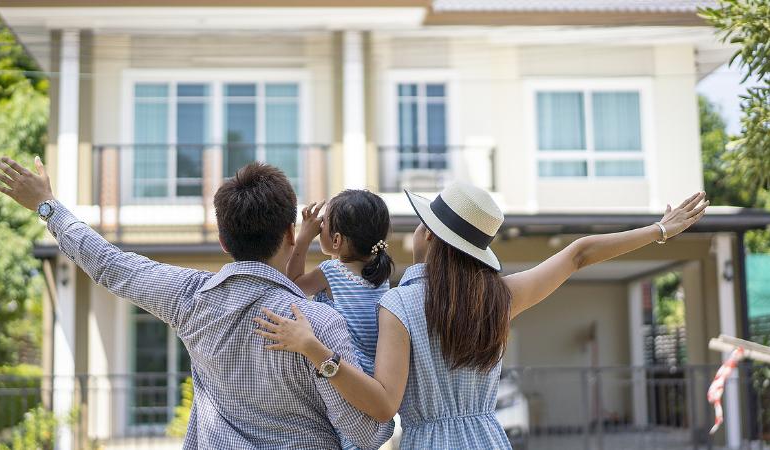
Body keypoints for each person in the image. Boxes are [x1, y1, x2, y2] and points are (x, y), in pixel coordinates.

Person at [255, 181, 709, 449]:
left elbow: (384, 404)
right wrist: (658, 231)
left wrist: (315, 350)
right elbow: (578, 255)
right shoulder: (499, 297)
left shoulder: (398, 305)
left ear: (430, 239)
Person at [0, 156, 393, 450]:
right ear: (291, 234)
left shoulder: (191, 298)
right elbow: (366, 433)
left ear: (222, 242)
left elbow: (111, 265)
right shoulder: (318, 325)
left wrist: (48, 207)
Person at [285, 190, 394, 449]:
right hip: (372, 379)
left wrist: (302, 238)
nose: (318, 228)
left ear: (336, 241)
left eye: (322, 226)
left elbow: (291, 285)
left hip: (341, 372)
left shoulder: (332, 271)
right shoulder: (381, 277)